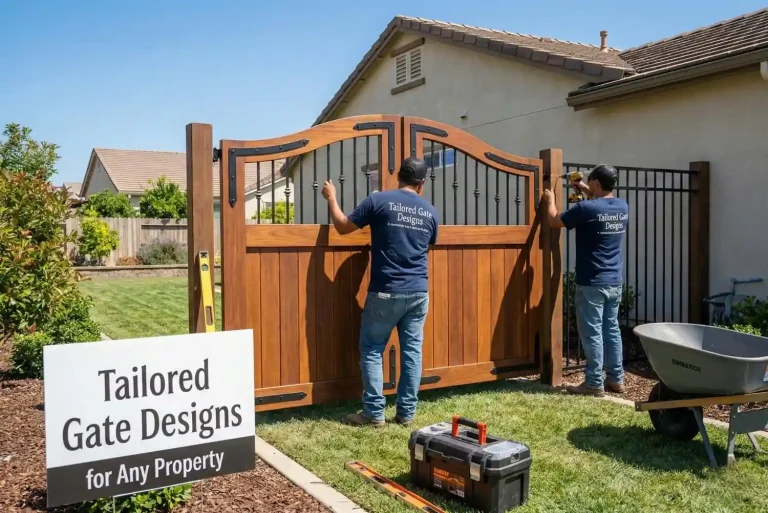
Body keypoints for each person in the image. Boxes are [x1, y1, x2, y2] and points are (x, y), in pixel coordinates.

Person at [321, 157, 439, 426]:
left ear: (399, 177)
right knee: (412, 352)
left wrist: (332, 197)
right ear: (422, 184)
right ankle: (406, 414)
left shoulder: (379, 201)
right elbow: (425, 248)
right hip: (418, 292)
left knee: (373, 349)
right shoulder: (431, 212)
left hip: (386, 291)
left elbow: (342, 226)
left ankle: (374, 413)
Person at [542, 164, 628, 397]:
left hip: (592, 281)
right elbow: (601, 204)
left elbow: (553, 221)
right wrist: (584, 188)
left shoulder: (585, 208)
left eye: (590, 181)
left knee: (592, 333)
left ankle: (592, 383)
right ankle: (616, 379)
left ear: (597, 183)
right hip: (614, 280)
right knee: (612, 330)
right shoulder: (622, 206)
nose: (587, 184)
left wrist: (549, 199)